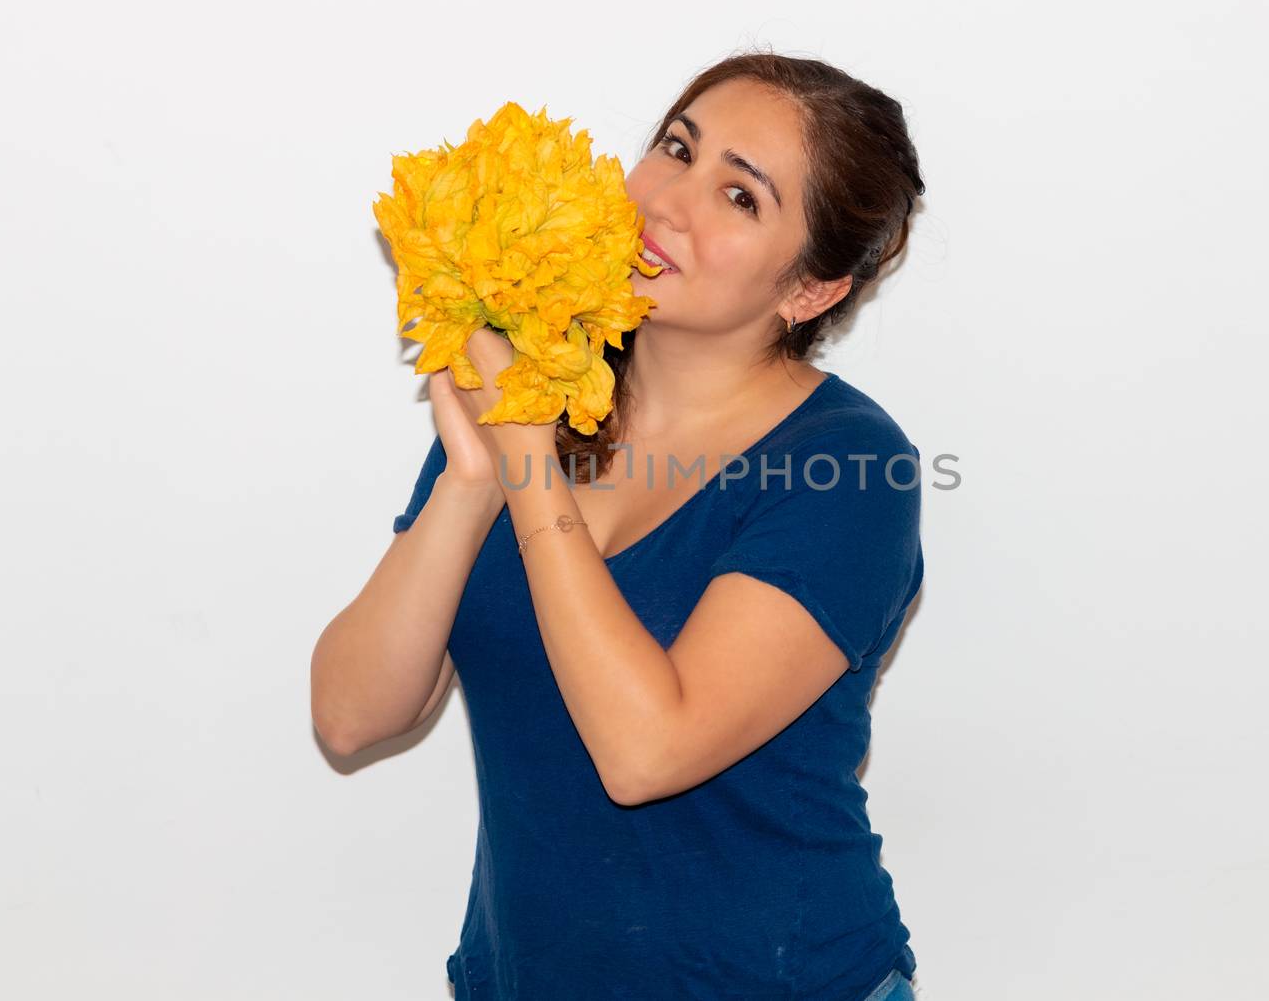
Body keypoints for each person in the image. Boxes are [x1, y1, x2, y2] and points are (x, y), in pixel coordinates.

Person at [313, 51, 928, 1000]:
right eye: (677, 148)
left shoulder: (849, 468)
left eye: (740, 196)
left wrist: (522, 460)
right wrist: (474, 478)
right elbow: (352, 716)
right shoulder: (547, 382)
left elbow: (646, 751)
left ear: (810, 290)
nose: (672, 201)